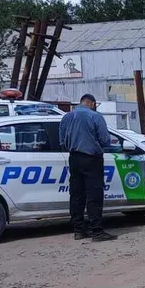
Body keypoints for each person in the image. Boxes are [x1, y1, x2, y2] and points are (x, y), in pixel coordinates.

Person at [58, 94, 116, 242]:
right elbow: (105, 139)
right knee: (94, 194)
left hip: (74, 158)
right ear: (92, 103)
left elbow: (62, 142)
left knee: (76, 194)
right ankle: (97, 231)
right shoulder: (95, 116)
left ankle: (79, 230)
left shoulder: (66, 117)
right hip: (91, 159)